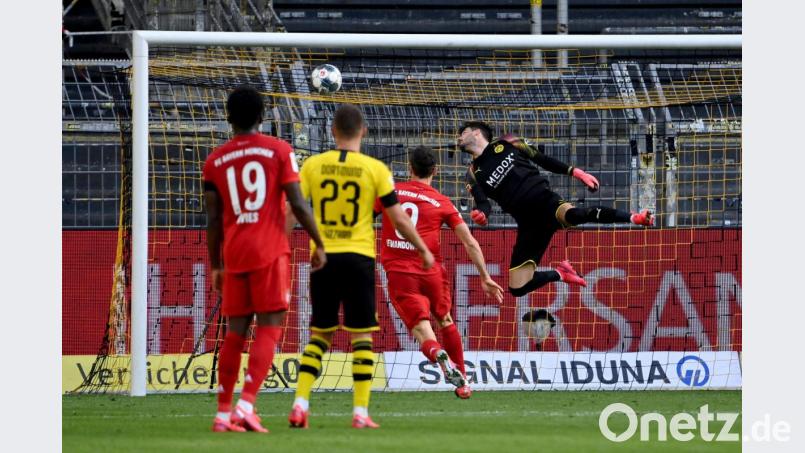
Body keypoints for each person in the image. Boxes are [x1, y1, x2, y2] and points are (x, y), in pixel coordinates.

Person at [288, 104, 434, 429]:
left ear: (332, 132)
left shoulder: (313, 165)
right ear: (363, 132)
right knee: (362, 338)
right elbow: (397, 217)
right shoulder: (375, 169)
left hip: (323, 256)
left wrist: (279, 244)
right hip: (358, 258)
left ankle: (300, 404)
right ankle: (360, 413)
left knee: (320, 335)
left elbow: (294, 210)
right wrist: (422, 247)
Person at [203, 86, 326, 433]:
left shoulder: (214, 161)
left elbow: (213, 221)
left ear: (229, 118)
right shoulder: (279, 150)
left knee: (235, 334)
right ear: (263, 116)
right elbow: (298, 204)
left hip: (234, 252)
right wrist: (320, 243)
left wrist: (216, 265)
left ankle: (223, 413)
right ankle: (246, 405)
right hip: (269, 249)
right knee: (270, 329)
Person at [456, 121, 653, 297]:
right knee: (517, 287)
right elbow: (483, 205)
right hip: (528, 224)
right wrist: (482, 215)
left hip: (545, 201)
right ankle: (561, 274)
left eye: (462, 133)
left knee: (574, 215)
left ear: (475, 133)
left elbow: (542, 159)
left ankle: (634, 218)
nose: (458, 138)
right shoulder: (472, 174)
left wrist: (577, 173)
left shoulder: (507, 141)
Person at [375, 146, 504, 399]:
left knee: (421, 328)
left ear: (409, 168)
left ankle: (436, 353)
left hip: (401, 272)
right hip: (432, 271)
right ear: (435, 171)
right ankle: (463, 381)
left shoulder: (389, 193)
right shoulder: (443, 202)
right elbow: (469, 242)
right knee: (445, 320)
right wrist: (485, 276)